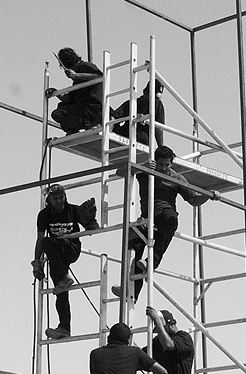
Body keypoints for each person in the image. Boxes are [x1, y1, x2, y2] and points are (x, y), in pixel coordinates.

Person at [114, 145, 209, 302]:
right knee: (135, 247)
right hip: (148, 217)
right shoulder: (146, 171)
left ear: (171, 163)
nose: (164, 168)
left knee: (171, 220)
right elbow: (120, 172)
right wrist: (141, 167)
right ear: (155, 161)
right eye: (161, 164)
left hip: (166, 216)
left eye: (167, 164)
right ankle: (130, 291)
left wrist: (209, 196)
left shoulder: (176, 178)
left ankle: (151, 263)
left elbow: (194, 200)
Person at [32, 184, 98, 340]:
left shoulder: (73, 210)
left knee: (49, 243)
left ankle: (64, 278)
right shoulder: (44, 215)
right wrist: (37, 262)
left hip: (70, 249)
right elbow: (40, 239)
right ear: (49, 200)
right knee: (60, 292)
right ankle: (64, 327)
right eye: (55, 198)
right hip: (56, 257)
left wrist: (90, 220)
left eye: (61, 197)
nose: (59, 201)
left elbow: (92, 228)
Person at [48, 47, 103, 134]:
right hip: (83, 107)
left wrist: (77, 75)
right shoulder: (77, 83)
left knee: (59, 113)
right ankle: (73, 130)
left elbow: (100, 77)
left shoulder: (85, 66)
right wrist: (56, 92)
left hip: (92, 106)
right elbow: (69, 99)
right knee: (61, 108)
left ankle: (89, 124)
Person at [111, 80, 165, 147]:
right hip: (127, 133)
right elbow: (114, 116)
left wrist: (162, 148)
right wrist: (109, 133)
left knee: (143, 137)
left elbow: (159, 128)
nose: (153, 100)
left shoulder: (157, 105)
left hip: (142, 139)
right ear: (145, 92)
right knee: (109, 112)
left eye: (156, 98)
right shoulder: (132, 103)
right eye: (151, 96)